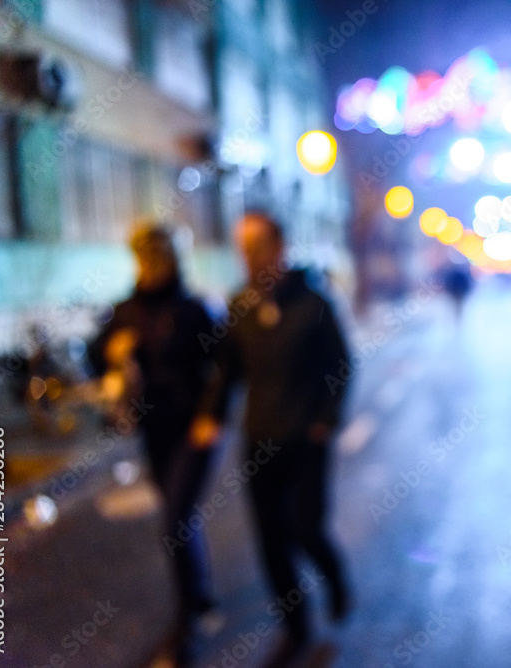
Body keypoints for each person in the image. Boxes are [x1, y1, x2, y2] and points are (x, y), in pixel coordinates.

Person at [191, 212, 351, 667]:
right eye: (242, 244)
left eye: (256, 243)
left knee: (306, 527)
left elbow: (341, 365)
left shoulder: (313, 301)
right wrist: (210, 415)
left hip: (306, 438)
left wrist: (326, 419)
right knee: (271, 542)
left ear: (278, 246)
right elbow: (227, 373)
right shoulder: (240, 306)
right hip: (260, 439)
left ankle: (334, 574)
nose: (248, 253)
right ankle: (296, 628)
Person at [88, 224, 218, 666]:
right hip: (154, 432)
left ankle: (185, 627)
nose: (151, 264)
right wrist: (112, 350)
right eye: (143, 256)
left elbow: (221, 369)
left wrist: (210, 415)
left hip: (193, 431)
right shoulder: (125, 310)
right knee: (179, 517)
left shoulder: (194, 309)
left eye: (158, 255)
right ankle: (198, 594)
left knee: (175, 520)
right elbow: (95, 356)